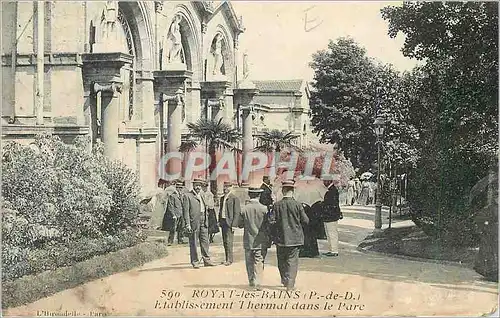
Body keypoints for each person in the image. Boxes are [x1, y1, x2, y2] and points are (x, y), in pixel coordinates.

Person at [269, 180, 309, 291]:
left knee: (281, 260)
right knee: (292, 261)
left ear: (283, 191)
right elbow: (305, 220)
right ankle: (290, 284)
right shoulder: (298, 205)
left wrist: (275, 232)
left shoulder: (277, 205)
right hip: (295, 238)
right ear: (292, 191)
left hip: (280, 238)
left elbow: (271, 221)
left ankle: (284, 280)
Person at [237, 187, 272, 291]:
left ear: (249, 195)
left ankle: (251, 280)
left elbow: (240, 225)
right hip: (261, 240)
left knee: (249, 261)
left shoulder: (244, 209)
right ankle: (258, 282)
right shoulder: (264, 209)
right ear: (259, 195)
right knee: (259, 260)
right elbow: (268, 225)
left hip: (248, 239)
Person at [183, 178, 217, 269]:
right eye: (196, 185)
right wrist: (187, 224)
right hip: (194, 221)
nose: (198, 187)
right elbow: (185, 211)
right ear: (193, 185)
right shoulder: (187, 196)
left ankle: (207, 260)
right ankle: (195, 261)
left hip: (203, 221)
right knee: (193, 242)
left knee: (205, 241)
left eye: (199, 185)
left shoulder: (202, 195)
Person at [218, 181, 241, 266]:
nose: (225, 189)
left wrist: (234, 225)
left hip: (230, 223)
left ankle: (229, 260)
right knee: (225, 241)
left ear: (231, 188)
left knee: (229, 241)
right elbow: (220, 210)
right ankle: (226, 258)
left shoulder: (234, 198)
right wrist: (219, 220)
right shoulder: (222, 198)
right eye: (224, 187)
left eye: (227, 187)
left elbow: (237, 212)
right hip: (223, 221)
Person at [322, 178, 343, 257]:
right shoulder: (331, 190)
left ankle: (334, 250)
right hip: (330, 215)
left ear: (329, 181)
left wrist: (323, 204)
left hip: (331, 215)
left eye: (325, 181)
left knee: (332, 233)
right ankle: (332, 249)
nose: (324, 182)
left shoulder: (331, 191)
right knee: (330, 233)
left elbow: (331, 204)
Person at [165, 180, 186, 245]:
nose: (180, 189)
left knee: (181, 228)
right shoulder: (172, 196)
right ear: (177, 188)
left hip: (181, 213)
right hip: (176, 214)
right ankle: (170, 241)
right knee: (173, 228)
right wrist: (173, 214)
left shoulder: (182, 195)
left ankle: (180, 240)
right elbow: (170, 206)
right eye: (179, 188)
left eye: (181, 188)